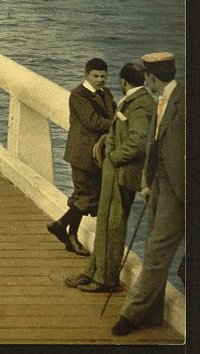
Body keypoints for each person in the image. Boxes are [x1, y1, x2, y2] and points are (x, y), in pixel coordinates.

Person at [112, 52, 185, 336]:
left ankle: (130, 315)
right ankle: (152, 316)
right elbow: (154, 147)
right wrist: (147, 182)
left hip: (178, 192)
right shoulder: (163, 100)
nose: (147, 82)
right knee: (156, 251)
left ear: (153, 77)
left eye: (148, 78)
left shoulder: (184, 102)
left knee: (155, 254)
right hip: (159, 187)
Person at [64, 63, 154, 292]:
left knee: (112, 227)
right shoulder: (133, 100)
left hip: (121, 173)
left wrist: (113, 157)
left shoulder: (141, 104)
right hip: (113, 171)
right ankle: (92, 272)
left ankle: (104, 280)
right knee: (104, 224)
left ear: (123, 81)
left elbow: (137, 141)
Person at [47, 58, 114, 255]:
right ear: (87, 75)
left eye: (103, 76)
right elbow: (92, 122)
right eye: (96, 76)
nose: (100, 80)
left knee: (82, 196)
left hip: (96, 154)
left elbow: (115, 112)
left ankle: (67, 233)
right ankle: (63, 229)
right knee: (87, 197)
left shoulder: (105, 93)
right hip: (82, 153)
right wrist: (118, 124)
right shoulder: (78, 95)